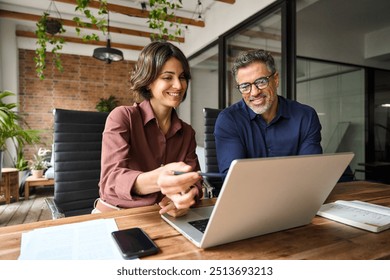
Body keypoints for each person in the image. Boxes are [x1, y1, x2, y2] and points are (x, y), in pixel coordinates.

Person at [94, 41, 203, 217]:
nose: (178, 85)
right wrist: (158, 180)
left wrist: (187, 198)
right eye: (168, 77)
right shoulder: (122, 117)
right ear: (147, 82)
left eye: (182, 77)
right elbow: (110, 180)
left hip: (162, 217)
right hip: (116, 215)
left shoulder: (187, 132)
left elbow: (195, 180)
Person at [215, 49, 323, 175]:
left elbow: (310, 172)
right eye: (245, 86)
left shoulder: (305, 116)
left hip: (297, 194)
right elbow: (233, 178)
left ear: (276, 79)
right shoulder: (229, 120)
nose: (254, 92)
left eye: (261, 82)